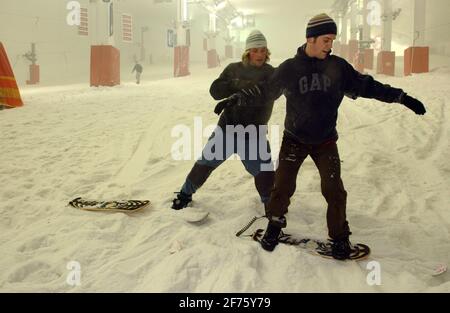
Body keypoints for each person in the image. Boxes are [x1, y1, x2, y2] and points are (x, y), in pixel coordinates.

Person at [257, 13, 427, 259]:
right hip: (294, 139)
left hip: (325, 141)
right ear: (311, 39)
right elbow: (265, 92)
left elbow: (367, 86)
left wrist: (401, 97)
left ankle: (339, 237)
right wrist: (238, 99)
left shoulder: (337, 67)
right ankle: (274, 225)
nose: (330, 45)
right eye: (326, 40)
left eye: (332, 40)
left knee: (334, 190)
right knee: (282, 186)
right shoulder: (290, 69)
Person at [172, 30, 276, 212]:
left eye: (263, 50)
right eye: (255, 50)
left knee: (265, 173)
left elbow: (269, 94)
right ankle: (184, 195)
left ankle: (271, 204)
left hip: (253, 135)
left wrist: (243, 95)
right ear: (247, 52)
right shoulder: (233, 69)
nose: (260, 54)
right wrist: (236, 84)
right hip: (226, 130)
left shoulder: (271, 73)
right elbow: (215, 91)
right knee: (204, 165)